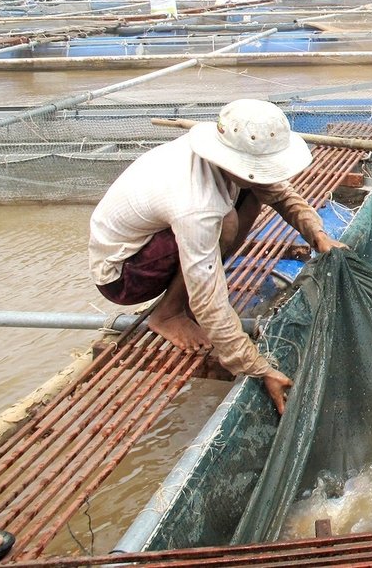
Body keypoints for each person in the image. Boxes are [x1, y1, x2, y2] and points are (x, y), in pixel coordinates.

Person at [89, 99, 347, 413]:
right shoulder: (195, 203)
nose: (264, 177)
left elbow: (278, 192)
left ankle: (179, 304)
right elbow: (208, 298)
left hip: (152, 243)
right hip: (124, 274)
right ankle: (168, 314)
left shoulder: (219, 159)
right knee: (224, 224)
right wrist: (258, 367)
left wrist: (317, 235)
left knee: (252, 196)